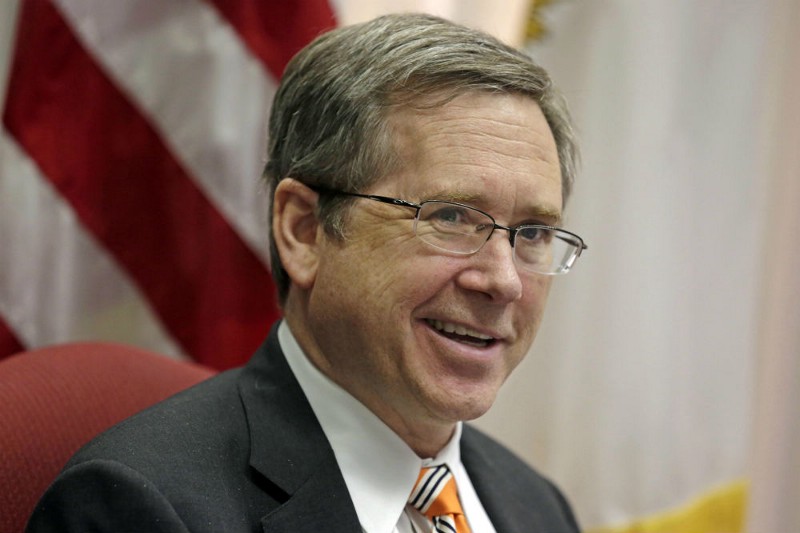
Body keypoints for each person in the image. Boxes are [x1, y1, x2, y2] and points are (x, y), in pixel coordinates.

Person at [27, 13, 586, 533]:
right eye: (451, 217)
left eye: (533, 234)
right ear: (305, 231)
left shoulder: (538, 507)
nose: (504, 282)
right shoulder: (140, 507)